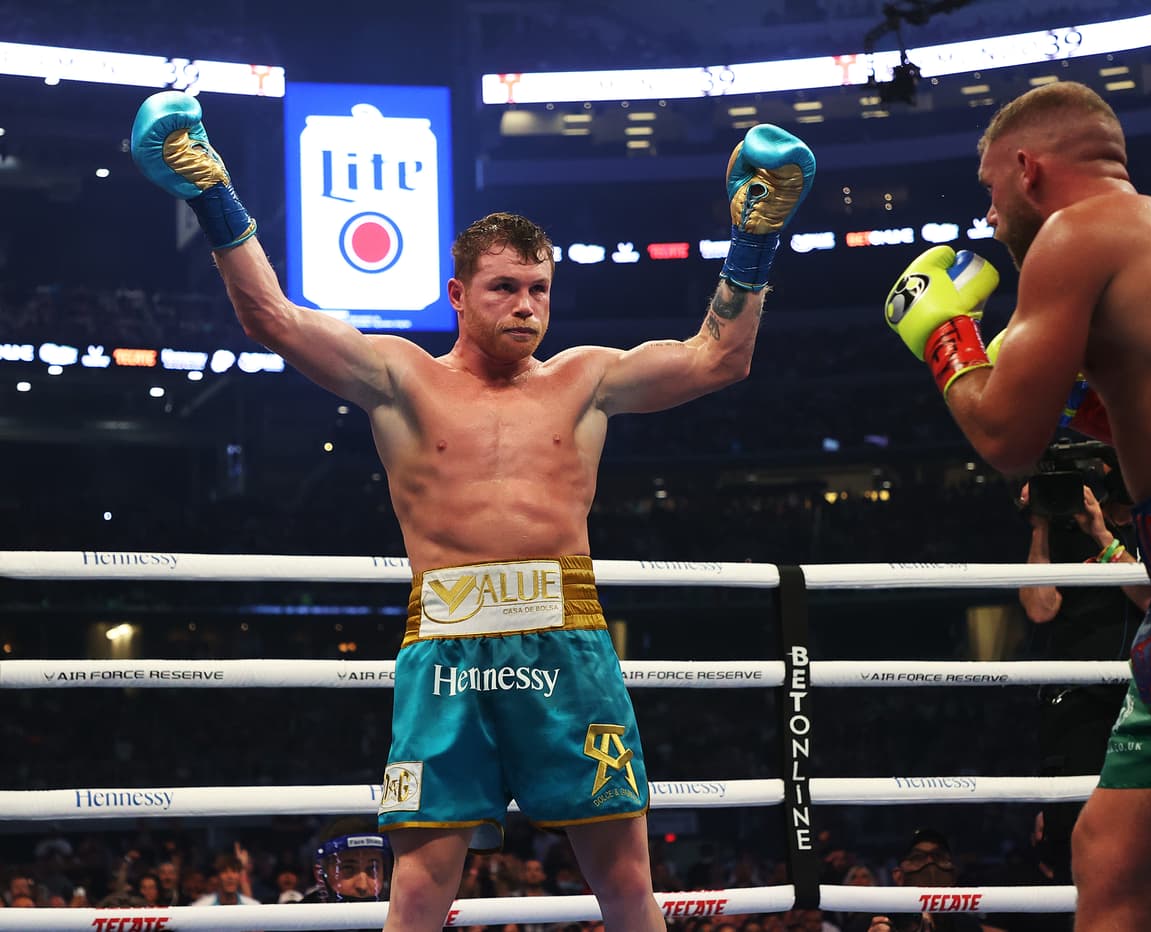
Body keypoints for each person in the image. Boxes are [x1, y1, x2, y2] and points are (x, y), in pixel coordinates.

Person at [129, 90, 815, 932]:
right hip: (447, 646)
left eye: (539, 289)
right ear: (458, 292)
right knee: (419, 887)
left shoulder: (586, 379)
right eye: (504, 288)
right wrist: (211, 192)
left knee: (627, 881)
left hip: (568, 638)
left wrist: (756, 236)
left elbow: (720, 360)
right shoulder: (399, 377)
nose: (526, 306)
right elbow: (271, 317)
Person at [882, 79, 1151, 931]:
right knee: (1108, 848)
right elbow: (1150, 403)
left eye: (989, 191)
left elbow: (1004, 439)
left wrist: (944, 336)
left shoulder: (1077, 232)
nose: (988, 219)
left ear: (1028, 169)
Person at [1015, 454, 1151, 880]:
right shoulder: (1060, 535)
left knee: (1136, 831)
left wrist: (1100, 533)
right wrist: (1040, 526)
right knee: (1068, 835)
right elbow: (1039, 609)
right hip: (1074, 702)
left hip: (1140, 700)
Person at [865, 829, 996, 932]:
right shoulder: (875, 921)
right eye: (918, 857)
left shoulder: (966, 926)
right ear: (898, 876)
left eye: (938, 856)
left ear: (953, 875)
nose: (930, 862)